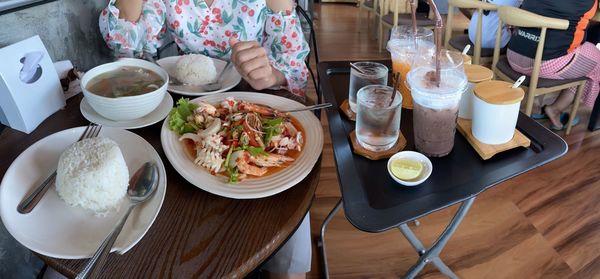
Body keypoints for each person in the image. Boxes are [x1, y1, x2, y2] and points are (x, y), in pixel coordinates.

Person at [98, 1, 312, 278]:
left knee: (284, 229)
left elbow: (295, 73)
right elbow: (127, 53)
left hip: (255, 102)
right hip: (185, 116)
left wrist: (270, 74)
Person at [99, 0, 309, 98]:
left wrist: (271, 75)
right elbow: (127, 50)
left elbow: (296, 68)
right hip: (184, 96)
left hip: (249, 95)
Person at [507, 0, 600, 130]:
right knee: (594, 60)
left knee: (575, 52)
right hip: (542, 64)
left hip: (513, 54)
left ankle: (535, 107)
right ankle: (555, 109)